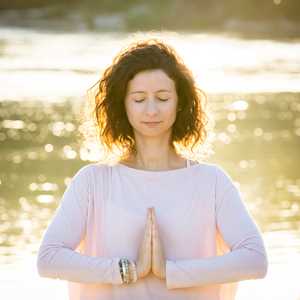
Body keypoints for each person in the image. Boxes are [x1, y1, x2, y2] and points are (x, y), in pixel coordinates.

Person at [36, 38, 268, 300]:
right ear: (122, 104)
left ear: (179, 102)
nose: (151, 110)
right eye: (139, 99)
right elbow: (49, 258)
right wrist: (126, 270)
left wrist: (172, 273)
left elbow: (255, 259)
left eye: (162, 98)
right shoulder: (93, 181)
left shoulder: (211, 181)